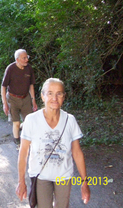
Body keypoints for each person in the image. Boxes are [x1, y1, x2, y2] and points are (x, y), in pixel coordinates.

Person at [16, 78, 91, 207]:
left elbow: (77, 153)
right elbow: (23, 153)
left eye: (59, 93)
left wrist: (85, 182)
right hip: (40, 176)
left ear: (64, 97)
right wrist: (21, 181)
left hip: (63, 176)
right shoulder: (31, 120)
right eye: (50, 93)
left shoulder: (70, 120)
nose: (54, 98)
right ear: (42, 96)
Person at [1, 49, 38, 147]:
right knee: (16, 123)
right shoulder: (10, 69)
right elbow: (3, 87)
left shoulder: (29, 68)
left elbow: (31, 85)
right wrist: (5, 103)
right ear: (17, 59)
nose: (27, 60)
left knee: (28, 122)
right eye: (24, 58)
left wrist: (33, 100)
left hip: (25, 98)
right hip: (12, 99)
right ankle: (18, 142)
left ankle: (22, 129)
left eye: (27, 57)